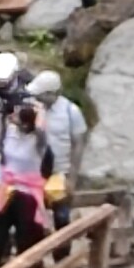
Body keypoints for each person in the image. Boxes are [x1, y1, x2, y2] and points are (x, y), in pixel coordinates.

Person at [0, 101, 54, 268]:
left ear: (27, 124)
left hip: (27, 192)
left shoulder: (39, 141)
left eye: (18, 117)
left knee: (24, 235)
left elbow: (41, 131)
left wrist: (39, 111)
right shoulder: (10, 132)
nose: (12, 119)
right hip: (8, 187)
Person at [26, 70, 89, 227]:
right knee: (32, 215)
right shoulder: (32, 108)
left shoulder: (71, 112)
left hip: (60, 171)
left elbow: (79, 144)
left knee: (61, 214)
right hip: (34, 170)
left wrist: (72, 177)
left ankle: (62, 249)